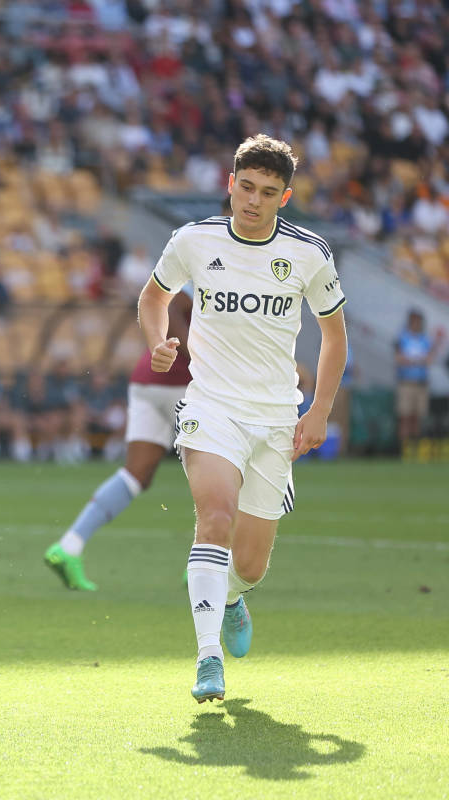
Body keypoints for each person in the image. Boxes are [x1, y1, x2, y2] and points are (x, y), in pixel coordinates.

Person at [138, 134, 347, 703]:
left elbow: (334, 336)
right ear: (230, 184)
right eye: (246, 187)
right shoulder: (194, 240)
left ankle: (231, 596)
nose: (253, 200)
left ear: (285, 197)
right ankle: (208, 659)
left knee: (251, 566)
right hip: (211, 406)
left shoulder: (309, 253)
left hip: (276, 417)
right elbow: (153, 298)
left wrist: (319, 409)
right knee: (214, 518)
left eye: (268, 192)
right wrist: (159, 342)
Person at [45, 289, 192, 591]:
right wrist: (206, 361)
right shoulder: (216, 265)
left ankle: (69, 546)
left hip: (148, 380)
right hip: (185, 384)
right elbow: (174, 308)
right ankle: (205, 567)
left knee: (135, 475)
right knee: (215, 475)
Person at [394, 309, 443, 448]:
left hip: (421, 383)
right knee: (405, 416)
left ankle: (414, 448)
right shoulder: (403, 337)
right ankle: (404, 448)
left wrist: (413, 360)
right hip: (406, 382)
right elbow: (399, 358)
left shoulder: (424, 339)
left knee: (417, 417)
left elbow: (429, 359)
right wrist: (417, 360)